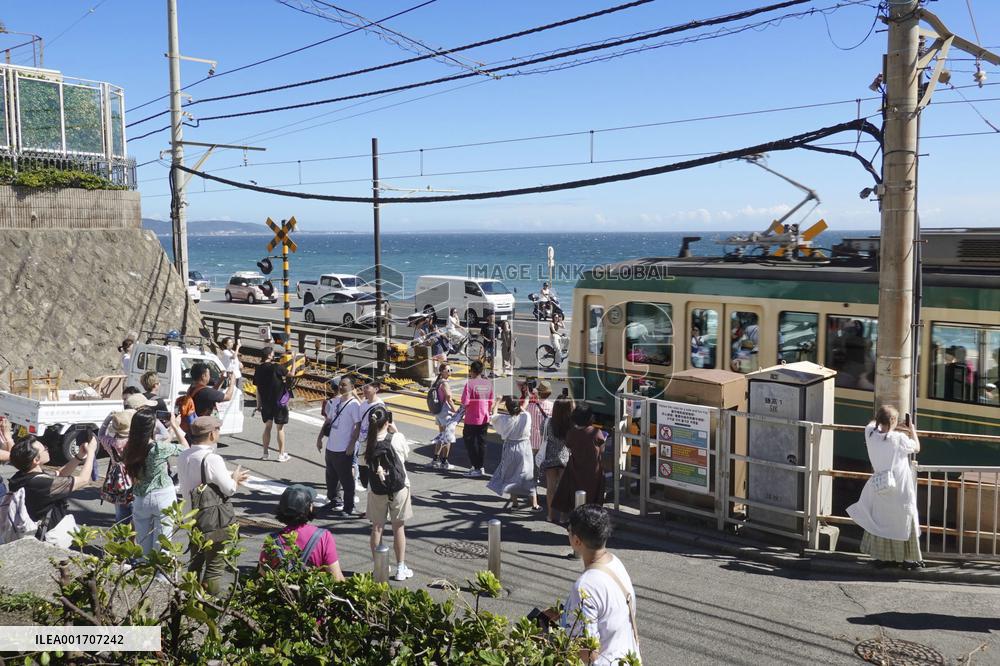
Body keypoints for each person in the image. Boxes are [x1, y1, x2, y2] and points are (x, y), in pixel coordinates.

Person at [545, 504, 641, 666]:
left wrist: (552, 645)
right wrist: (564, 613)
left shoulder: (585, 586)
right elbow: (605, 611)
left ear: (576, 540)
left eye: (569, 530)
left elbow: (587, 653)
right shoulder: (614, 563)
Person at [177, 416, 250, 594]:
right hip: (212, 519)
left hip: (190, 516)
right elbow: (229, 489)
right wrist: (235, 479)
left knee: (195, 559)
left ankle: (190, 598)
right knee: (214, 566)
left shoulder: (184, 454)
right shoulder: (212, 459)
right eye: (217, 430)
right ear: (211, 434)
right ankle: (211, 607)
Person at [846, 405, 923, 570]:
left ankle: (883, 557)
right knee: (905, 519)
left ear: (878, 419)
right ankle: (909, 560)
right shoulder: (899, 439)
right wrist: (911, 429)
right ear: (894, 421)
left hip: (881, 485)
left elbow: (873, 424)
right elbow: (917, 447)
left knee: (882, 520)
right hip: (900, 486)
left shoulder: (870, 434)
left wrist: (885, 419)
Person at [7, 432, 97, 547]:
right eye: (44, 449)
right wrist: (91, 453)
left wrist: (79, 456)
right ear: (36, 460)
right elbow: (84, 480)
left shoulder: (21, 476)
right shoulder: (40, 483)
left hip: (32, 532)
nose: (47, 448)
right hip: (50, 536)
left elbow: (60, 474)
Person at [123, 409, 188, 556]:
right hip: (163, 495)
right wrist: (175, 426)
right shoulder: (159, 448)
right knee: (163, 542)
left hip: (140, 497)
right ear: (152, 427)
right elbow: (185, 449)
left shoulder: (129, 448)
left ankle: (142, 573)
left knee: (141, 544)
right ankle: (161, 577)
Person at [363, 407, 414, 581]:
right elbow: (405, 455)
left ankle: (379, 567)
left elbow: (363, 463)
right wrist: (396, 431)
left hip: (376, 489)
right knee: (398, 527)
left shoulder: (366, 442)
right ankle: (401, 568)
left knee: (377, 528)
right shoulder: (396, 438)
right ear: (387, 422)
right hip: (399, 488)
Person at [259, 484, 345, 579]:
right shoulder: (323, 537)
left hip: (283, 593)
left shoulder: (272, 540)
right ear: (309, 508)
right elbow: (336, 578)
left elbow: (262, 574)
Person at [316, 376, 362, 517]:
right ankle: (334, 500)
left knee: (346, 479)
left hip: (343, 448)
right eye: (340, 385)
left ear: (352, 388)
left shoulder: (354, 405)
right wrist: (319, 437)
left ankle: (349, 507)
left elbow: (358, 426)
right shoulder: (336, 402)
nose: (341, 387)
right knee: (331, 477)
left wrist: (351, 444)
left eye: (345, 385)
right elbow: (328, 420)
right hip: (331, 447)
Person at [551, 404, 607, 515]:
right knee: (592, 497)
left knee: (574, 495)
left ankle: (573, 519)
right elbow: (602, 450)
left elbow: (568, 445)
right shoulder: (596, 432)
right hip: (593, 471)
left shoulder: (571, 433)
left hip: (575, 468)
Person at [488, 395, 540, 511]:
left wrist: (497, 402)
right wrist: (525, 397)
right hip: (525, 448)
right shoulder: (526, 416)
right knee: (528, 475)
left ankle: (515, 503)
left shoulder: (504, 419)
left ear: (507, 408)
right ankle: (535, 504)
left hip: (510, 448)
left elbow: (494, 415)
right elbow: (523, 408)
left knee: (511, 476)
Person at [98, 407, 138, 525]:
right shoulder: (134, 442)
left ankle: (119, 540)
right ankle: (133, 541)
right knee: (136, 517)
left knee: (121, 515)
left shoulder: (110, 442)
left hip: (118, 482)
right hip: (134, 479)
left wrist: (108, 419)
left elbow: (100, 434)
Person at [540, 393, 574, 523]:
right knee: (564, 489)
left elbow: (543, 434)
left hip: (550, 458)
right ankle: (563, 516)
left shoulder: (548, 422)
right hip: (565, 458)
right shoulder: (571, 425)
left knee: (551, 489)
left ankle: (550, 515)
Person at [254, 347, 290, 462]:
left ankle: (265, 453)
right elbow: (292, 374)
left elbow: (258, 388)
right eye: (273, 353)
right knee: (280, 428)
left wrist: (258, 405)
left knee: (267, 427)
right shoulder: (276, 367)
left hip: (266, 403)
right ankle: (281, 454)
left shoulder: (258, 369)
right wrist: (294, 360)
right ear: (269, 355)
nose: (274, 355)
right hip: (279, 403)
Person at [355, 378, 388, 505]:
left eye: (367, 387)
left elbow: (386, 424)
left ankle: (376, 506)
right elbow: (359, 423)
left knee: (375, 476)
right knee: (364, 476)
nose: (364, 389)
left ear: (376, 389)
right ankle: (373, 505)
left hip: (374, 445)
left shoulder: (380, 406)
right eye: (363, 387)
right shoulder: (363, 403)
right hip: (363, 443)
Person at [461, 360, 494, 478]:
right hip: (484, 416)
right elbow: (491, 401)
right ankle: (480, 466)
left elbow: (465, 402)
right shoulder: (488, 383)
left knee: (470, 442)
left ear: (472, 371)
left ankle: (476, 467)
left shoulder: (470, 384)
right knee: (481, 442)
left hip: (472, 418)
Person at [430, 363, 460, 470]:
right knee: (448, 437)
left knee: (441, 435)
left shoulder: (438, 382)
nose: (450, 371)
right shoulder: (445, 383)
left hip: (438, 412)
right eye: (448, 370)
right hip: (445, 413)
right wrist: (455, 410)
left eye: (450, 369)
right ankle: (444, 462)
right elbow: (448, 398)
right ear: (442, 372)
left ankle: (435, 459)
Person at [526, 381, 554, 456]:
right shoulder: (552, 406)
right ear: (549, 394)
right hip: (546, 441)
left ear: (538, 392)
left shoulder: (530, 406)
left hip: (533, 441)